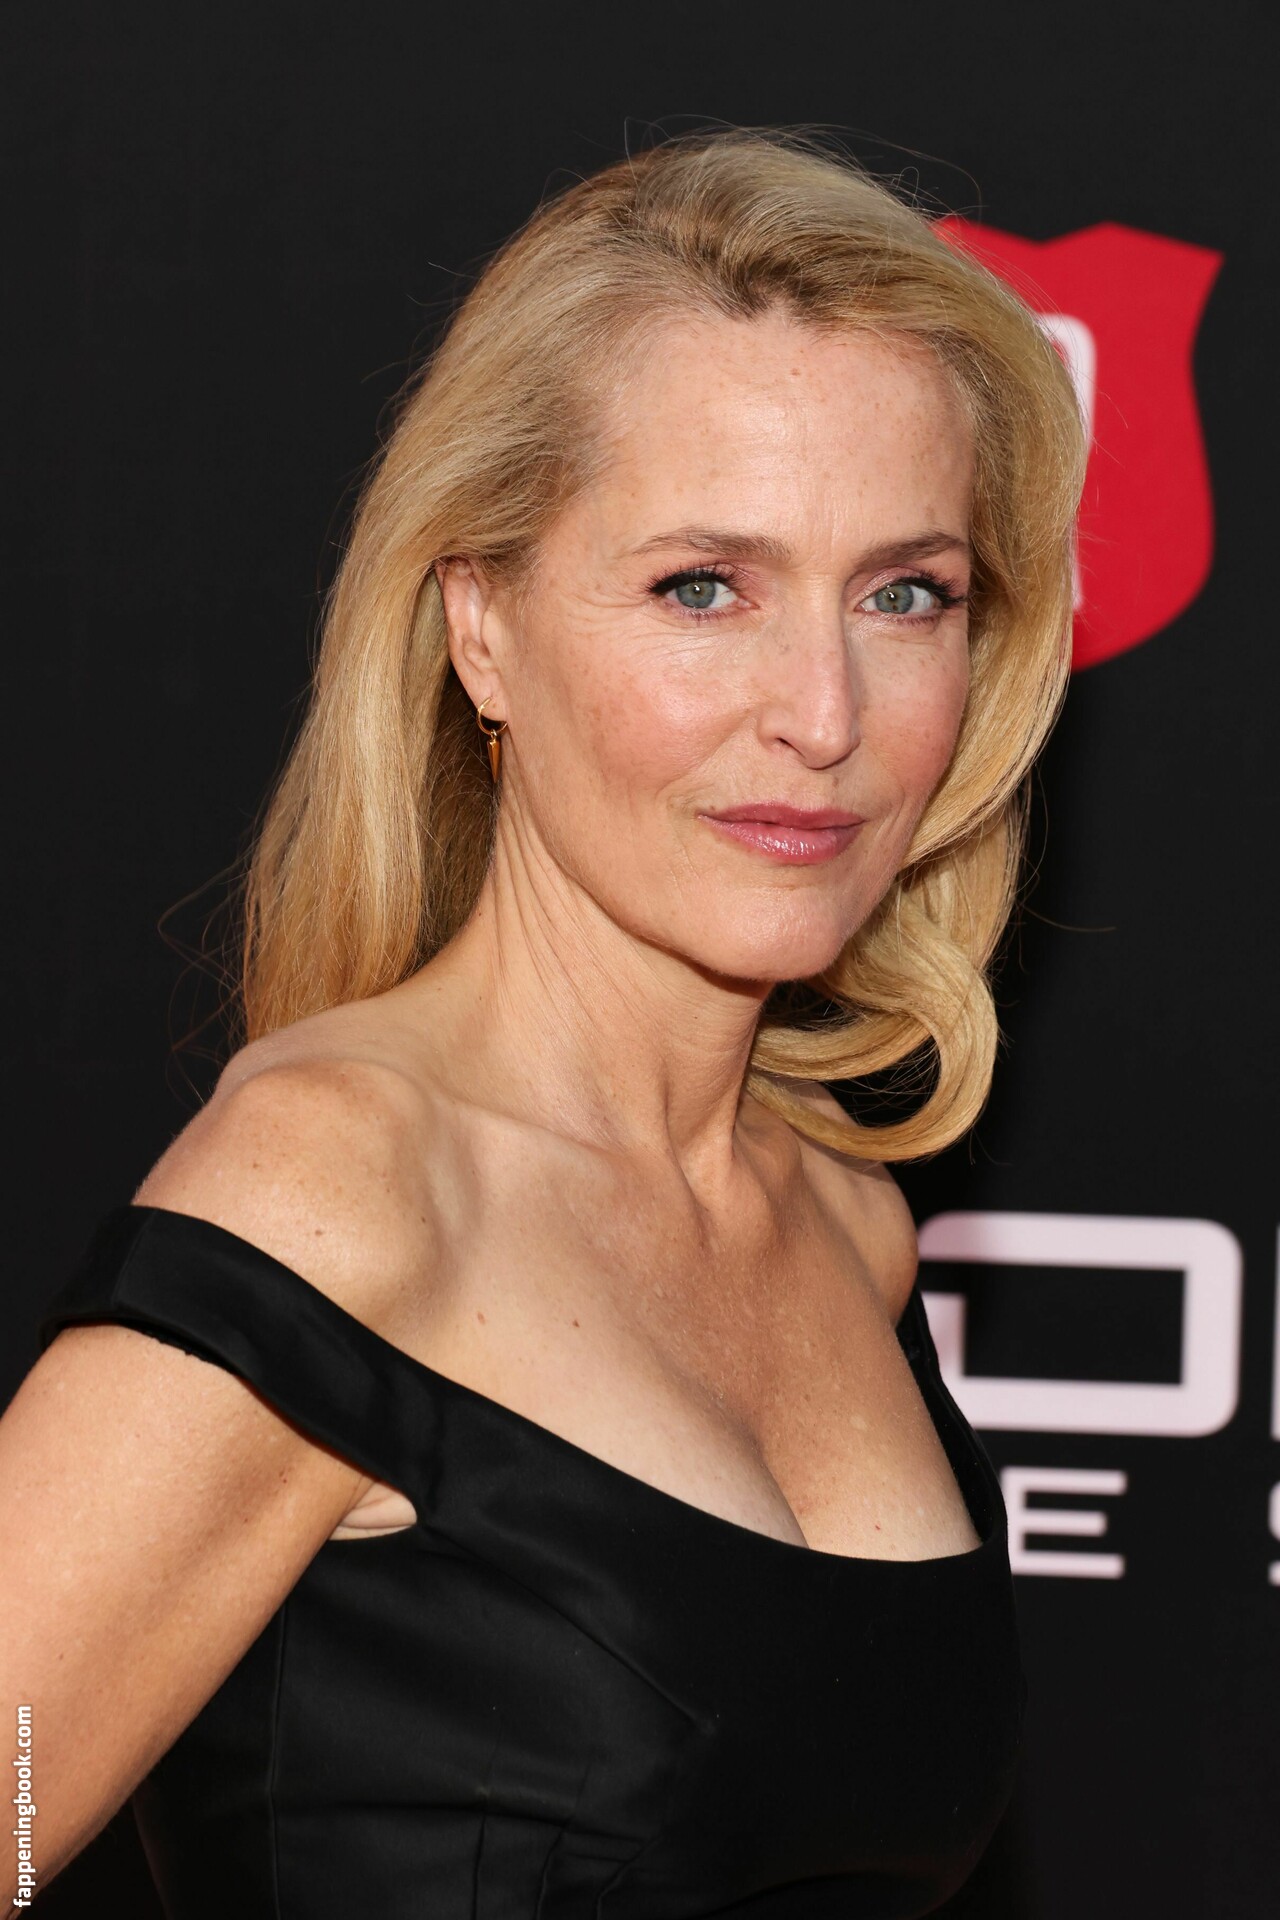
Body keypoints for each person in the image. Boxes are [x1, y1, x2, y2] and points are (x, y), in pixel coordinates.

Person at [3, 126, 1085, 1918]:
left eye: (906, 594)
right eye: (703, 587)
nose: (824, 713)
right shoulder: (332, 1194)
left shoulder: (846, 1225)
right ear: (483, 626)